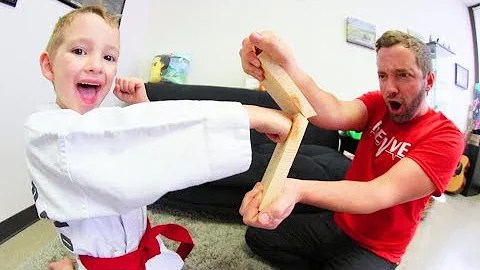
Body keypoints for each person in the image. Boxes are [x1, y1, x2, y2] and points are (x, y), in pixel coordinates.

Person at [26, 5, 292, 270]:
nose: (96, 65)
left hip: (143, 247)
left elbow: (142, 157)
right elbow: (116, 148)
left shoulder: (99, 123)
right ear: (48, 65)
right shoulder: (46, 133)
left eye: (109, 57)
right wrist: (248, 116)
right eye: (79, 51)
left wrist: (144, 107)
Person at [238, 30, 464, 269]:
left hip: (377, 250)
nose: (390, 88)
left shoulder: (446, 138)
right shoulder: (378, 104)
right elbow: (332, 112)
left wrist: (297, 189)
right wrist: (287, 67)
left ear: (428, 81)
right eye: (383, 75)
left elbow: (377, 194)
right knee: (258, 236)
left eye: (403, 75)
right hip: (339, 223)